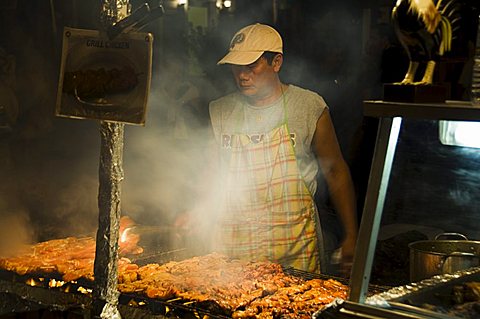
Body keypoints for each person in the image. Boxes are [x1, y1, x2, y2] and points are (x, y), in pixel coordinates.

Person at [182, 23, 358, 275]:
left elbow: (336, 171)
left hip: (296, 249)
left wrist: (351, 234)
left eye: (252, 66)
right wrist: (194, 212)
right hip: (235, 250)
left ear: (276, 63)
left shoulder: (308, 106)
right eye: (236, 67)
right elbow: (211, 175)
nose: (242, 75)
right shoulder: (220, 111)